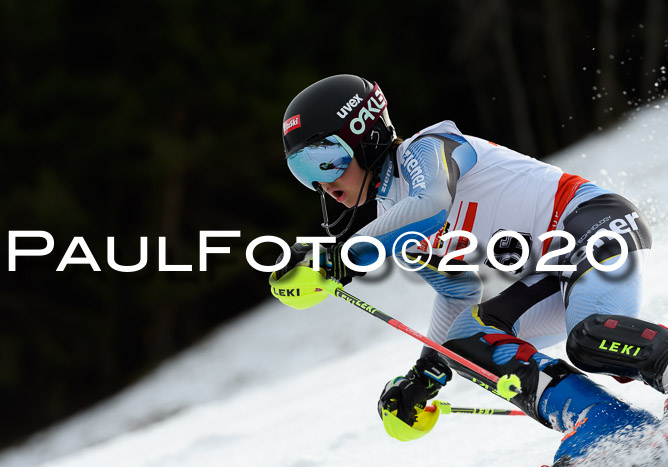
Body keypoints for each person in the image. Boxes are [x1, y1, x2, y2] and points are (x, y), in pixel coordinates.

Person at [272, 74, 668, 465]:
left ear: (367, 134)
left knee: (589, 338)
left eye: (324, 160)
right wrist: (427, 371)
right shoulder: (393, 213)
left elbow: (431, 205)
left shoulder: (427, 148)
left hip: (594, 223)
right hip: (554, 268)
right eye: (304, 172)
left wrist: (344, 256)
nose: (323, 183)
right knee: (468, 343)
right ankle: (606, 426)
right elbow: (455, 290)